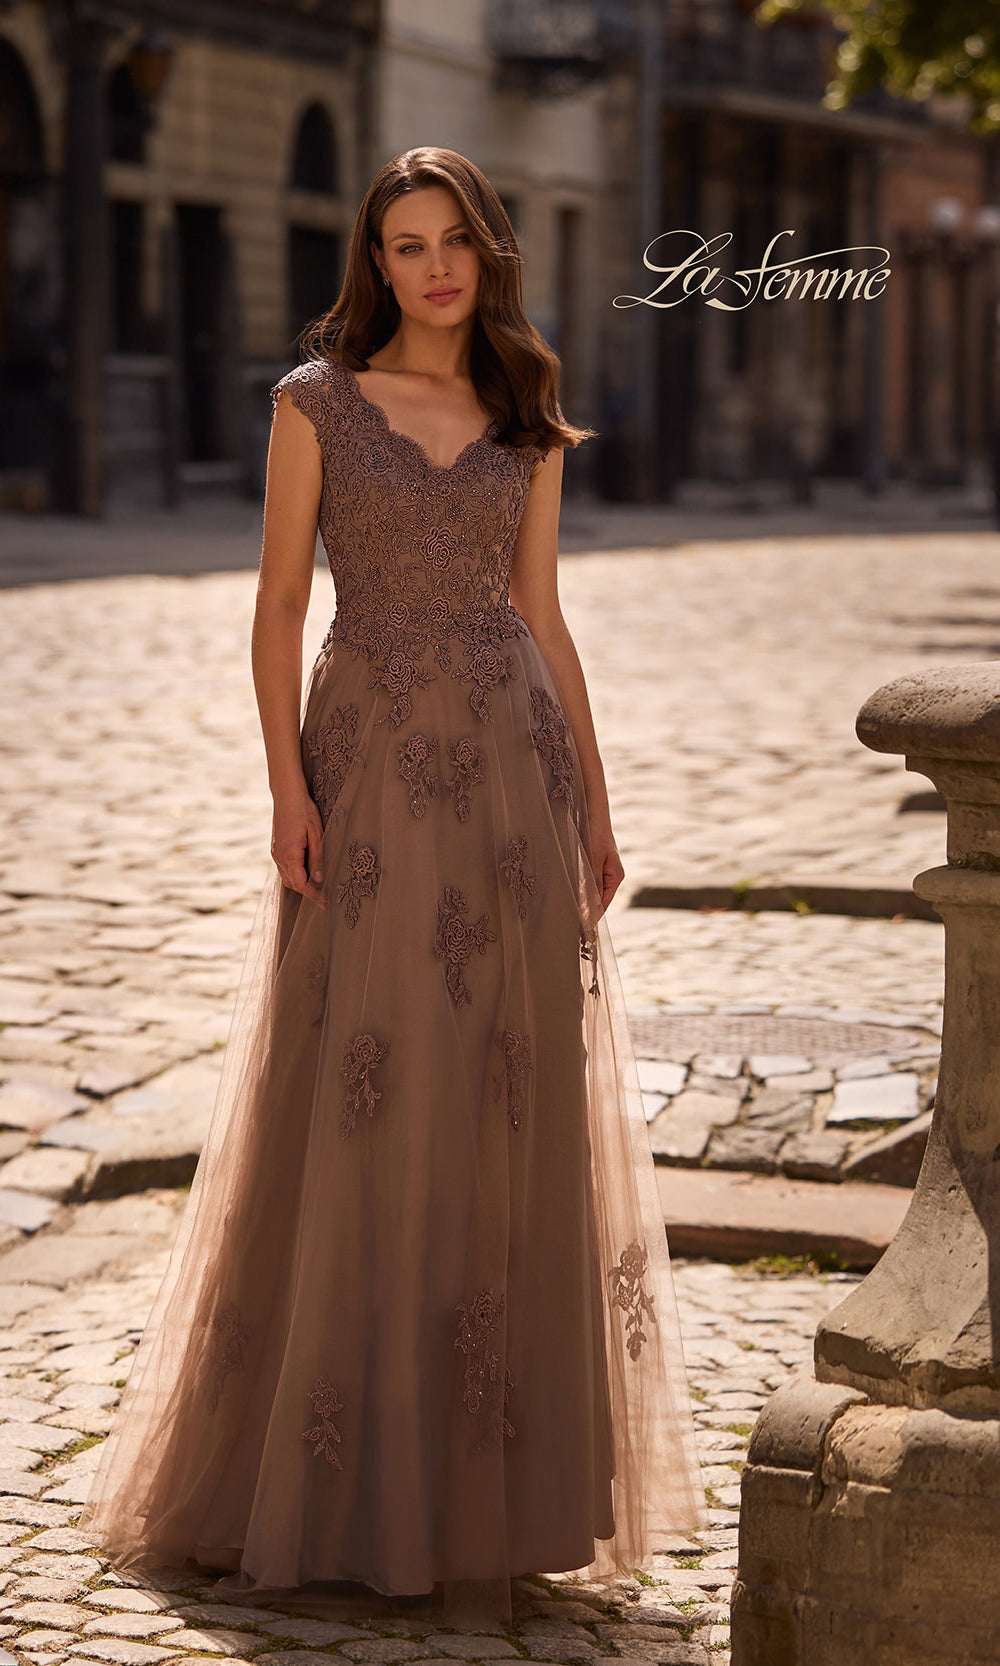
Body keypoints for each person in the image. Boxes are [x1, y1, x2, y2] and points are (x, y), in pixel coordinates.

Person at [77, 145, 707, 1630]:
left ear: (488, 257)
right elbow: (282, 600)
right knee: (365, 1091)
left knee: (493, 1103)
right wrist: (286, 784)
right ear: (377, 262)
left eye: (453, 243)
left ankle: (490, 1492)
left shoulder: (527, 424)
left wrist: (597, 809)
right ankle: (325, 1485)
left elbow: (544, 621)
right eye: (404, 244)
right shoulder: (315, 405)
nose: (431, 267)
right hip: (365, 771)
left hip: (505, 779)